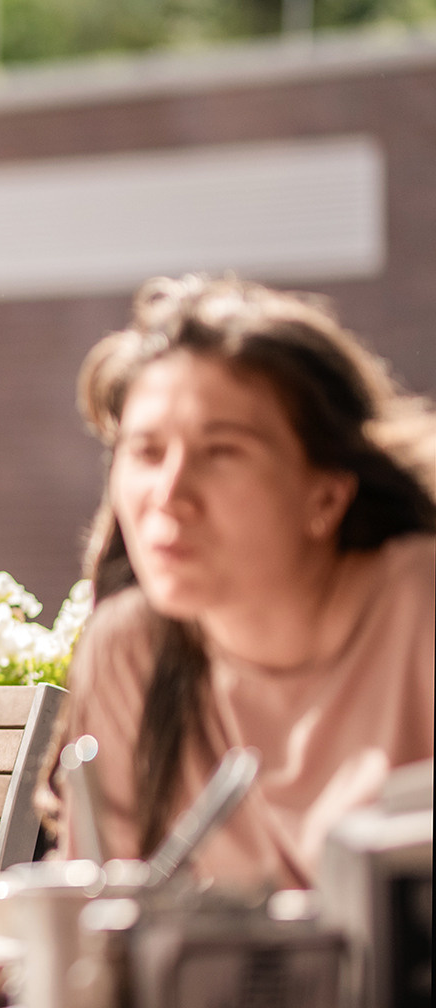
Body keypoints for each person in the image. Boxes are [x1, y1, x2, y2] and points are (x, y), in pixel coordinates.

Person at [54, 275, 436, 889]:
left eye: (222, 451)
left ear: (327, 495)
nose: (170, 498)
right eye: (147, 453)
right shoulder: (129, 649)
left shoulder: (423, 607)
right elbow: (99, 928)